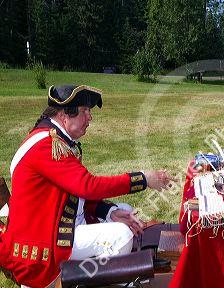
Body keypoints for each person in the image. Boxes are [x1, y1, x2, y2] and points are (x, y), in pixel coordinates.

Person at [0, 85, 174, 287]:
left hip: (58, 227)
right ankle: (81, 280)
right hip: (45, 242)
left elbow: (75, 195)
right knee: (122, 236)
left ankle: (103, 276)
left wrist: (108, 211)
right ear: (65, 114)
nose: (89, 117)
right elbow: (87, 186)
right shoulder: (46, 145)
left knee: (123, 211)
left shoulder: (57, 140)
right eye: (85, 111)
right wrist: (143, 179)